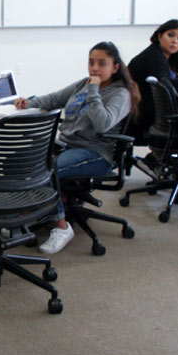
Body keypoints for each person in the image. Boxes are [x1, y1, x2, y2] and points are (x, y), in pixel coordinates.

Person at [14, 41, 140, 254]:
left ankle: (61, 226)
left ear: (115, 67)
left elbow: (102, 124)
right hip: (67, 145)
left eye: (102, 63)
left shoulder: (121, 94)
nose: (95, 68)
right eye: (91, 62)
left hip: (95, 153)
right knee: (21, 158)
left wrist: (94, 90)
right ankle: (27, 212)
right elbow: (56, 98)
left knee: (47, 169)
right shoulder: (84, 83)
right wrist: (30, 103)